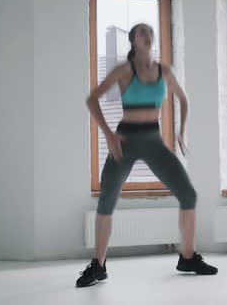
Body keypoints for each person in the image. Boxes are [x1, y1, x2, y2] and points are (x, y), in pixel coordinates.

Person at [76, 23, 218, 288]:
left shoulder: (165, 71)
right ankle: (99, 265)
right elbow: (92, 99)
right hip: (126, 140)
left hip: (153, 140)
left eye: (149, 30)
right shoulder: (123, 70)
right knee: (107, 200)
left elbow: (184, 100)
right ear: (132, 40)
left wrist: (182, 132)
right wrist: (107, 133)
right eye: (141, 31)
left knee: (189, 195)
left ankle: (187, 257)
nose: (147, 33)